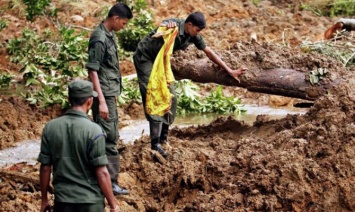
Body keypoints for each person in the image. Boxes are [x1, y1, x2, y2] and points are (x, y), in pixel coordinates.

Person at [133, 11, 247, 157]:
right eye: (197, 30)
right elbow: (163, 25)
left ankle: (164, 138)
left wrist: (230, 70)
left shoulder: (192, 34)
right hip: (146, 58)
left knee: (171, 96)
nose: (198, 33)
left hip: (161, 61)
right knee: (154, 95)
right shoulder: (172, 25)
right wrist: (166, 25)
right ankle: (155, 145)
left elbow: (209, 52)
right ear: (189, 25)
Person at [38, 80, 118, 212]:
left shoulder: (50, 127)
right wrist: (113, 205)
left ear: (69, 99)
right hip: (90, 202)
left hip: (63, 202)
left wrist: (44, 200)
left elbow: (45, 167)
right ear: (90, 101)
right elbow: (102, 173)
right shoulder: (94, 130)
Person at [86, 3, 133, 195]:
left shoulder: (109, 35)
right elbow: (93, 71)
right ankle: (110, 182)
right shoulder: (99, 38)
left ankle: (101, 177)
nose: (124, 26)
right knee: (109, 138)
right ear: (115, 18)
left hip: (109, 93)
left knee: (108, 135)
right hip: (104, 95)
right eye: (123, 22)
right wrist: (102, 100)